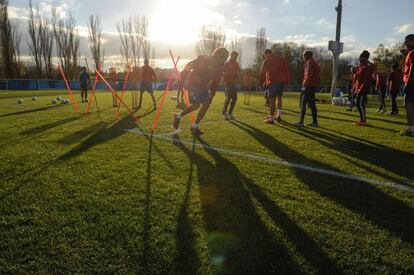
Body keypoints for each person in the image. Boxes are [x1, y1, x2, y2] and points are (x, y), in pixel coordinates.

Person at [173, 47, 229, 135]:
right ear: (217, 56)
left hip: (202, 86)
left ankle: (194, 126)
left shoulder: (219, 69)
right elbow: (190, 64)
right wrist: (183, 74)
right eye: (224, 57)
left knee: (206, 104)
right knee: (197, 105)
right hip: (192, 83)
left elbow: (215, 83)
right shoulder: (205, 59)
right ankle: (178, 117)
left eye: (226, 58)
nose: (225, 60)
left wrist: (212, 95)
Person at [260, 49, 290, 124]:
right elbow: (286, 70)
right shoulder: (281, 59)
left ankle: (272, 118)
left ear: (266, 54)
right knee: (279, 98)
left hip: (273, 82)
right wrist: (287, 81)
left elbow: (263, 72)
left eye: (264, 55)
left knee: (272, 100)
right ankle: (279, 115)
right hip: (281, 82)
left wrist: (260, 82)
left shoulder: (267, 60)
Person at [294, 50, 320, 127]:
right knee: (312, 105)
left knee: (303, 103)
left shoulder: (309, 63)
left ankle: (301, 121)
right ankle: (315, 122)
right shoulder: (314, 62)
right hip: (312, 86)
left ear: (306, 56)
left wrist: (304, 86)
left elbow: (308, 75)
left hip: (308, 86)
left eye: (303, 55)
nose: (303, 57)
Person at [399, 34, 414, 136]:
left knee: (408, 104)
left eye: (407, 40)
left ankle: (411, 129)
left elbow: (412, 70)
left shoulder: (412, 53)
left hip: (412, 82)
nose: (405, 43)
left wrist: (407, 84)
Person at [354, 50, 374, 126]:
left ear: (364, 58)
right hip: (359, 88)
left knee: (359, 103)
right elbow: (358, 78)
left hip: (363, 88)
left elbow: (366, 79)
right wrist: (356, 87)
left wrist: (361, 89)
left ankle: (363, 120)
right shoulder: (361, 65)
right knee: (360, 103)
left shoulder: (368, 66)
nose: (359, 59)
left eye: (360, 57)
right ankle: (362, 119)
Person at [222, 51, 240, 120]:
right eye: (235, 56)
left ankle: (230, 113)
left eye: (237, 56)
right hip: (227, 82)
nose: (236, 57)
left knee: (235, 98)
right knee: (229, 97)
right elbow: (222, 71)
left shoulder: (236, 64)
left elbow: (236, 72)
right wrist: (228, 74)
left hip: (233, 83)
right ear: (231, 55)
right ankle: (224, 113)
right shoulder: (227, 63)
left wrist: (236, 76)